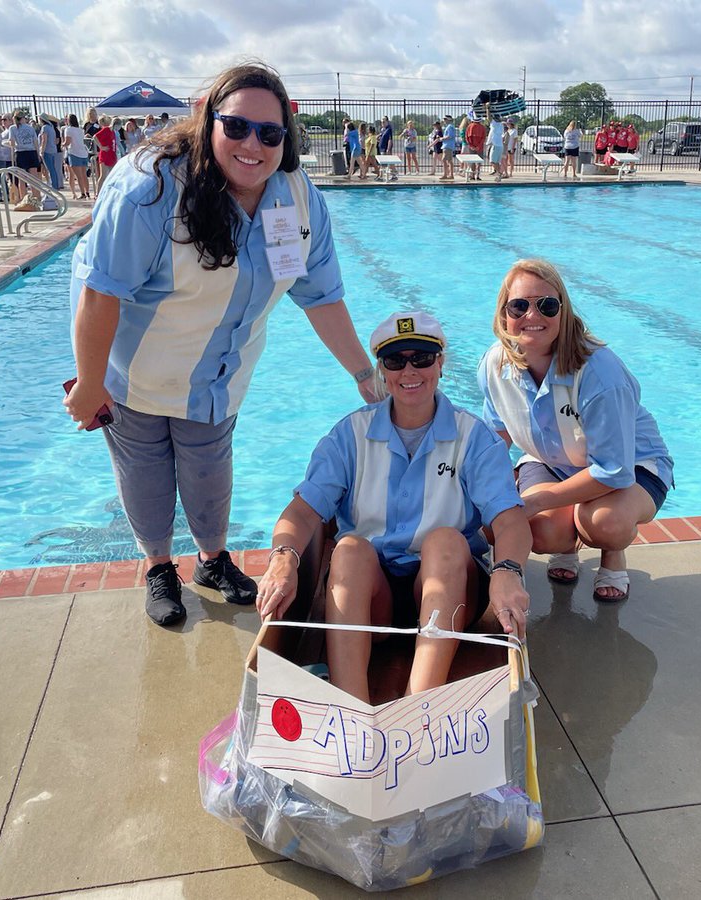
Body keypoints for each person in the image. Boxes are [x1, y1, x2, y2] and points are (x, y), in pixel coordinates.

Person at [65, 62, 380, 627]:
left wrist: (363, 374)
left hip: (217, 379)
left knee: (210, 471)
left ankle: (212, 560)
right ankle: (160, 566)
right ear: (208, 121)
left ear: (287, 137)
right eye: (236, 127)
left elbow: (321, 295)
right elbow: (100, 291)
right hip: (136, 372)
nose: (252, 145)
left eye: (270, 133)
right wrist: (90, 384)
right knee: (146, 474)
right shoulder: (152, 187)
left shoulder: (297, 200)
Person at [256, 312, 532, 702]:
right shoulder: (349, 435)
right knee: (349, 549)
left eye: (421, 357)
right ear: (381, 370)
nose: (409, 370)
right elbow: (302, 512)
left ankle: (418, 709)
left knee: (446, 542)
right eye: (395, 360)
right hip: (373, 598)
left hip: (454, 589)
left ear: (440, 363)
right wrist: (282, 558)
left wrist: (507, 571)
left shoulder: (474, 437)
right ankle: (350, 707)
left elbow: (510, 519)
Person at [477, 259, 674, 603]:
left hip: (632, 467)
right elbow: (496, 438)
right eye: (519, 306)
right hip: (551, 461)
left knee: (602, 522)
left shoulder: (599, 372)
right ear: (503, 314)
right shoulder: (495, 365)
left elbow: (613, 470)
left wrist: (535, 500)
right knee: (540, 531)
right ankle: (566, 544)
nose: (532, 316)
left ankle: (613, 555)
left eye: (547, 306)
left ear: (563, 313)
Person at [61, 113, 91, 200]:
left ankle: (82, 193)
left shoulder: (68, 130)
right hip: (83, 153)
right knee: (84, 175)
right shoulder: (80, 130)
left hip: (74, 153)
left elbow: (68, 142)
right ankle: (87, 192)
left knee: (78, 176)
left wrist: (62, 145)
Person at [92, 115, 118, 195]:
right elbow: (95, 137)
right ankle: (98, 193)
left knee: (112, 175)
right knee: (103, 175)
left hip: (112, 154)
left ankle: (109, 192)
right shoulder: (106, 129)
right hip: (105, 155)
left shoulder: (112, 131)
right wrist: (101, 147)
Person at [39, 114, 63, 191]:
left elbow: (44, 140)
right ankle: (55, 184)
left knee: (50, 169)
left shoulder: (44, 128)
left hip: (47, 150)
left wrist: (42, 151)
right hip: (53, 150)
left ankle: (53, 186)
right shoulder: (51, 127)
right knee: (53, 169)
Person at [464, 112, 486, 180]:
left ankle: (472, 175)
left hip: (472, 147)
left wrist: (471, 146)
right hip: (479, 147)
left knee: (472, 161)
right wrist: (478, 146)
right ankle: (478, 175)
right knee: (479, 161)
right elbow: (483, 138)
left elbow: (467, 137)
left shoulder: (469, 126)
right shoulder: (482, 127)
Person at [484, 108, 504, 181]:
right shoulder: (501, 125)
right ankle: (499, 175)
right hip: (500, 145)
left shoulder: (494, 124)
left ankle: (499, 174)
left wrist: (488, 109)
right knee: (497, 162)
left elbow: (488, 117)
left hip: (495, 145)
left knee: (492, 161)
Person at [439, 113, 457, 181]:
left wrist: (442, 138)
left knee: (444, 160)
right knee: (449, 160)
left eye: (445, 119)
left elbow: (449, 136)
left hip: (448, 146)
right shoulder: (449, 126)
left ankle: (445, 174)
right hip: (447, 145)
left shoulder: (450, 127)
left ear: (448, 120)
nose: (444, 121)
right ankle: (450, 174)